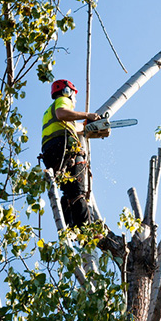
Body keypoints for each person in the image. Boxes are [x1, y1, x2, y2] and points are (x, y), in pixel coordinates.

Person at [41, 78, 101, 228]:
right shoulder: (62, 101)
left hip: (51, 154)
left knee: (68, 193)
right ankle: (87, 231)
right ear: (67, 92)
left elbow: (76, 126)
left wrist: (94, 126)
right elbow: (62, 113)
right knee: (78, 192)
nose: (75, 99)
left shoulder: (49, 112)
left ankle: (69, 227)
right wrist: (87, 114)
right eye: (74, 95)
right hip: (65, 149)